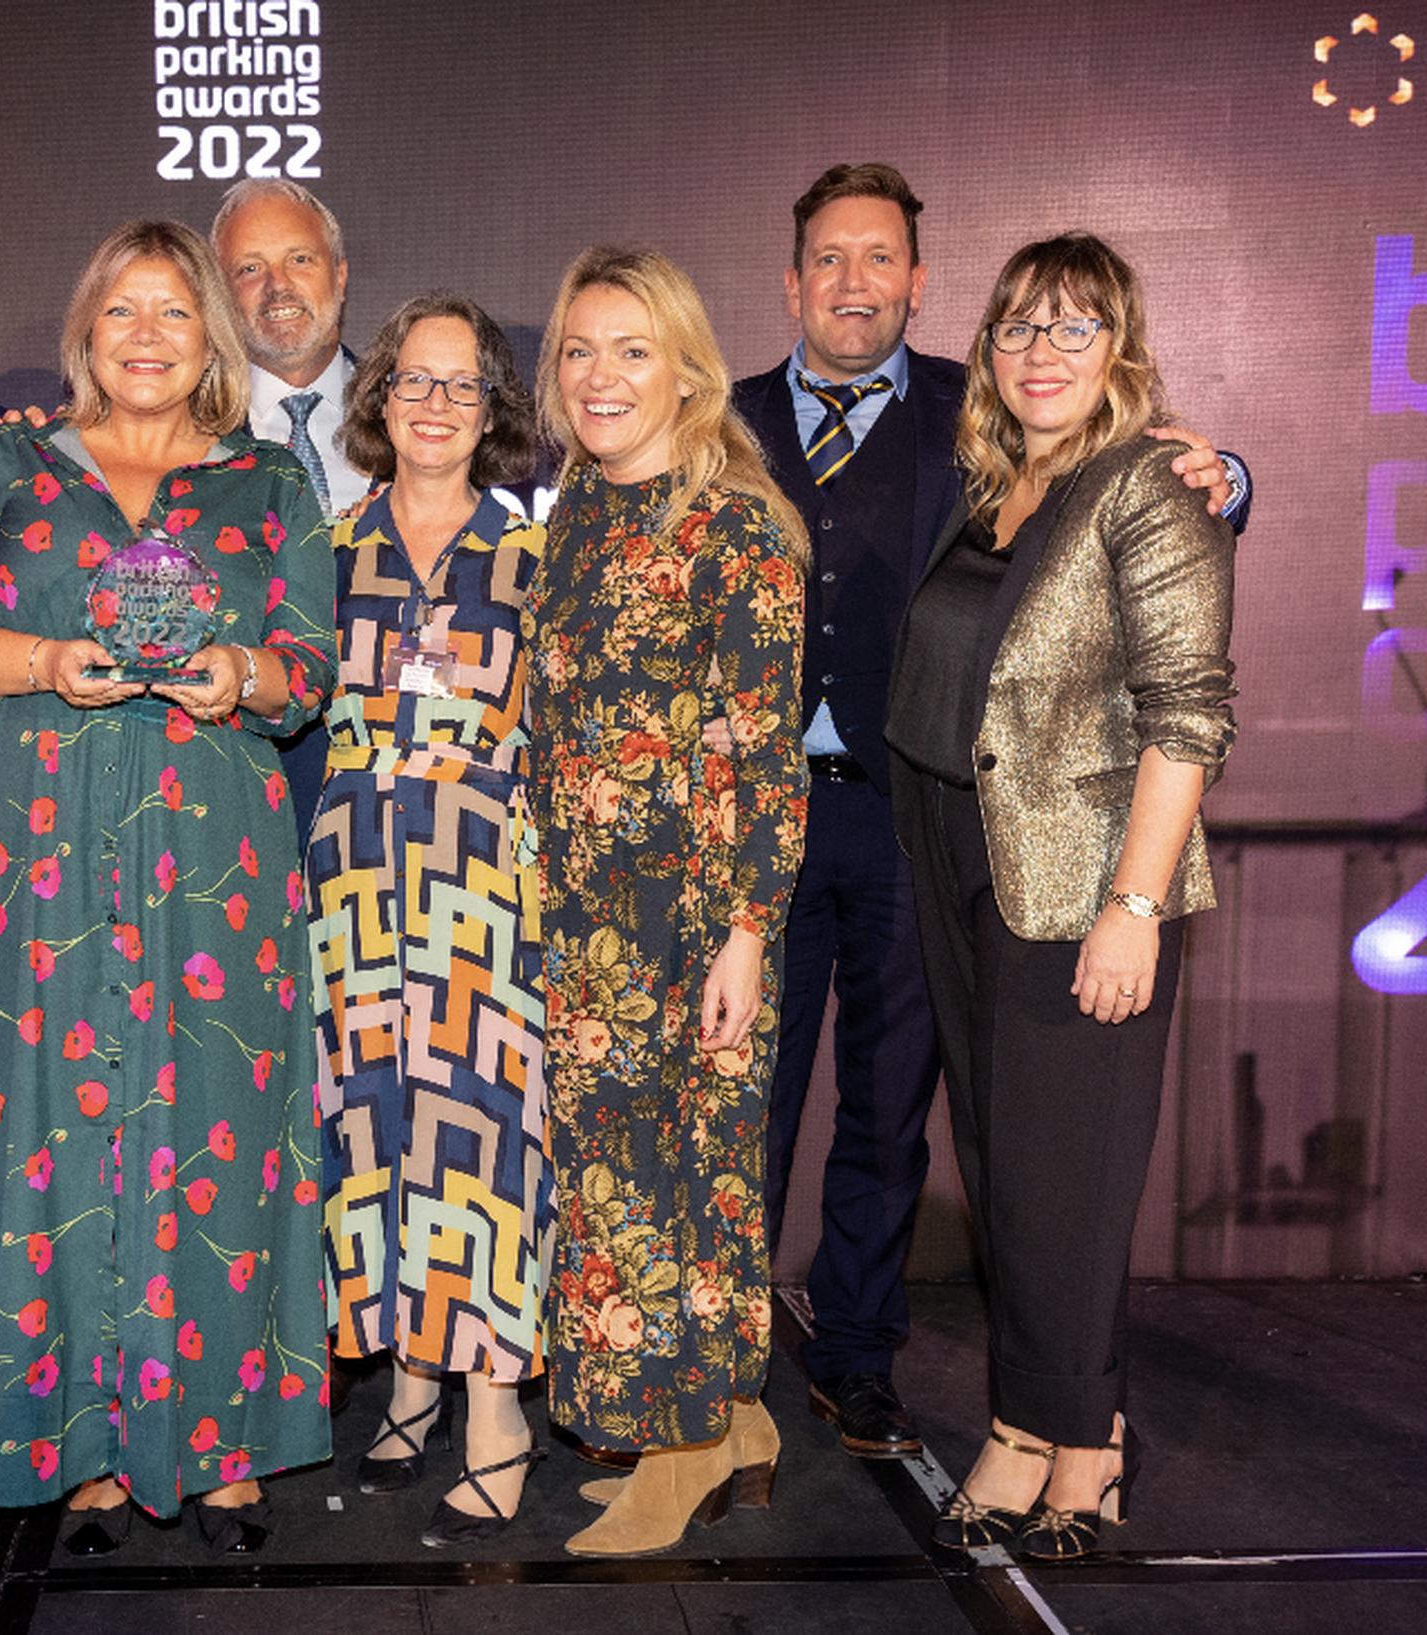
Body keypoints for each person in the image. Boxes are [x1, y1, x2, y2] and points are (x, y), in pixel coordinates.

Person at [728, 164, 1249, 1461]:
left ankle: (856, 1356)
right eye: (828, 259)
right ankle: (722, 1365)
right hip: (763, 815)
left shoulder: (983, 411)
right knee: (743, 1099)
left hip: (927, 826)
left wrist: (1224, 470)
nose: (853, 281)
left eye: (879, 258)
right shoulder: (722, 421)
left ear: (917, 282)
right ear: (791, 282)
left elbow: (1155, 497)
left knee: (896, 1107)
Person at [0, 219, 336, 1553]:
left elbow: (310, 662)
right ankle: (75, 1440)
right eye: (120, 311)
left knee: (216, 1122)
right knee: (52, 1126)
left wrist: (238, 677)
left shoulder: (270, 482)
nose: (146, 332)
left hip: (214, 852)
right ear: (84, 334)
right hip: (31, 843)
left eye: (173, 311)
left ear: (213, 336)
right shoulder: (10, 458)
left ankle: (223, 1443)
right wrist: (40, 658)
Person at [883, 233, 1235, 1560]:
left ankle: (1081, 1437)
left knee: (1064, 1179)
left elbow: (1188, 716)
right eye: (1019, 326)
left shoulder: (1150, 483)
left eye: (1073, 328)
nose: (1040, 351)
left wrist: (1132, 906)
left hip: (1082, 880)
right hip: (955, 848)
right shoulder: (992, 481)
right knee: (998, 1164)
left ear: (1119, 349)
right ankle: (1029, 1421)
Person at [529, 247, 810, 1557]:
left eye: (630, 349)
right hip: (589, 917)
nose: (600, 376)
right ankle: (725, 1419)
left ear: (686, 366)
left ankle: (685, 1444)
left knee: (683, 1189)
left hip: (696, 920)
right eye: (579, 350)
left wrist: (747, 935)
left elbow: (759, 746)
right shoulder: (577, 507)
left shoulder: (735, 527)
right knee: (611, 1187)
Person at [308, 294, 551, 1545]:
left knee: (481, 1137)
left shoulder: (535, 561)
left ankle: (493, 1406)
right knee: (374, 1134)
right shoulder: (324, 549)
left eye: (462, 385)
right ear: (380, 398)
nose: (436, 405)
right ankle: (406, 1372)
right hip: (351, 884)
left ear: (495, 409)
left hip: (482, 885)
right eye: (415, 381)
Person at [211, 179, 360, 835]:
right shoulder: (179, 442)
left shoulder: (425, 418)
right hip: (238, 787)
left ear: (340, 274)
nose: (277, 286)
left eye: (299, 259)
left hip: (394, 798)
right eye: (249, 268)